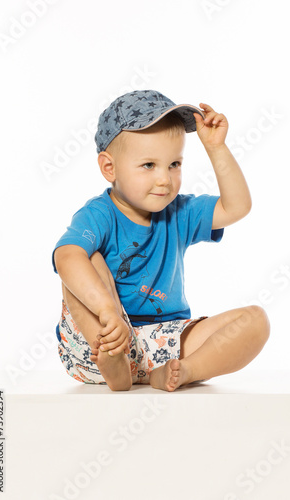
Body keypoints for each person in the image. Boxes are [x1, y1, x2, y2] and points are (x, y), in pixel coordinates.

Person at [52, 89, 270, 392]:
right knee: (80, 257)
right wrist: (106, 311)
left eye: (174, 165)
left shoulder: (179, 212)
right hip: (99, 341)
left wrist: (216, 149)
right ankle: (115, 361)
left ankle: (183, 371)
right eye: (148, 165)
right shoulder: (99, 214)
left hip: (166, 341)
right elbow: (65, 257)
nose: (165, 179)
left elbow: (237, 207)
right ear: (109, 168)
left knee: (255, 321)